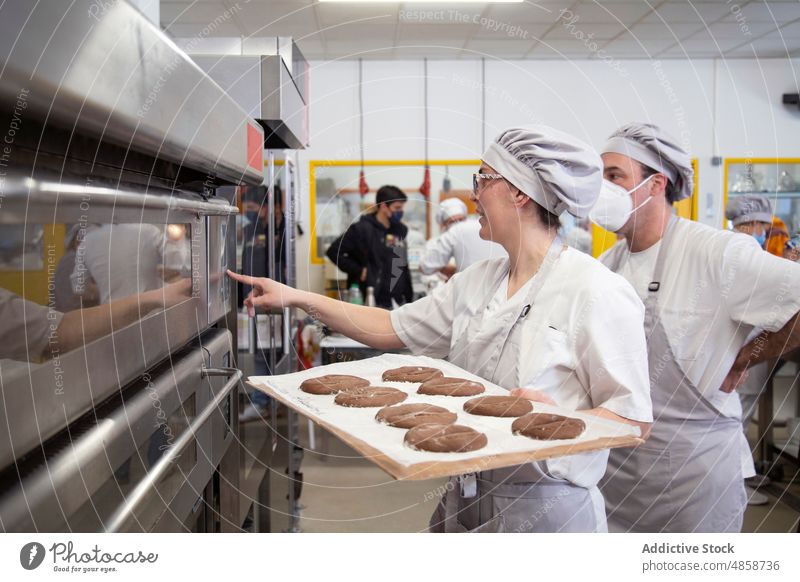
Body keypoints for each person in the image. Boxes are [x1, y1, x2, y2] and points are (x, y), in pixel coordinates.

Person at [230, 125, 653, 533]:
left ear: (520, 192)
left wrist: (558, 418)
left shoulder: (596, 290)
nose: (473, 193)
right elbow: (391, 326)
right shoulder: (478, 279)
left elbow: (633, 420)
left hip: (545, 510)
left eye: (483, 179)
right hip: (465, 493)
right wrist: (297, 297)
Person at [590, 122, 800, 532]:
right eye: (599, 176)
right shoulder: (607, 267)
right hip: (617, 475)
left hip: (694, 482)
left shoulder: (715, 252)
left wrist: (752, 354)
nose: (602, 187)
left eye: (614, 175)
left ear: (656, 184)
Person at [725, 195, 776, 507]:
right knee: (737, 417)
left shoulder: (729, 248)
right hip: (746, 349)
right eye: (764, 227)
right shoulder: (748, 254)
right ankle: (739, 484)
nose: (765, 233)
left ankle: (744, 477)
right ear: (755, 223)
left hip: (741, 347)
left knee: (739, 414)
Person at [326, 185, 413, 309]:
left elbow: (402, 263)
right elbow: (333, 251)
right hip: (370, 299)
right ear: (383, 206)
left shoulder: (400, 230)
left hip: (396, 301)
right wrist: (358, 270)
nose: (400, 212)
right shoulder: (361, 229)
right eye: (397, 208)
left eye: (402, 208)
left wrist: (409, 297)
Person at [420, 198, 504, 280]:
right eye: (453, 221)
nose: (457, 223)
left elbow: (426, 266)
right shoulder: (485, 226)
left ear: (444, 224)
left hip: (472, 288)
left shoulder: (454, 231)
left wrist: (444, 269)